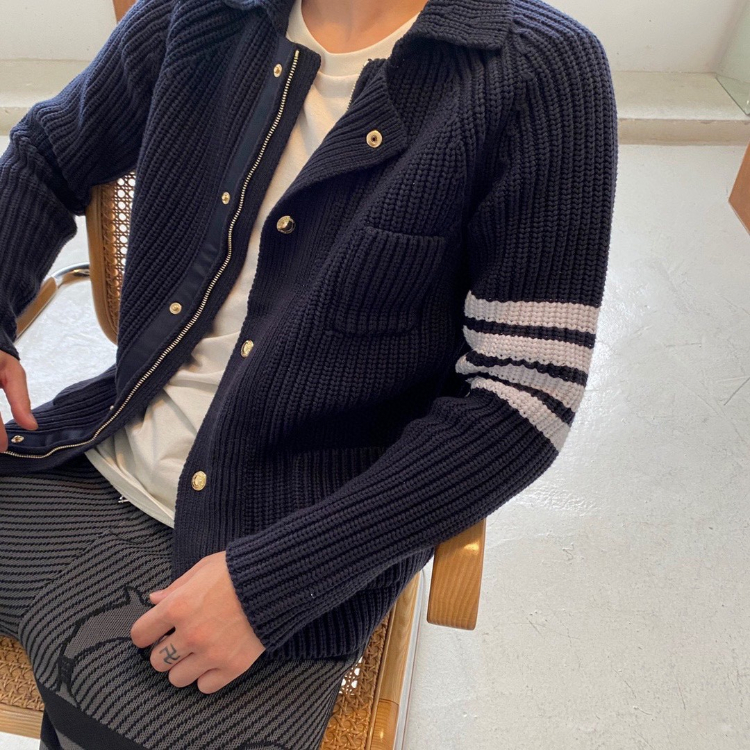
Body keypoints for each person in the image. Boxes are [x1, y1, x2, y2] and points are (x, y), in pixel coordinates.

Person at [0, 0, 619, 746]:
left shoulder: (538, 71)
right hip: (88, 460)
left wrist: (272, 586)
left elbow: (524, 395)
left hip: (281, 546)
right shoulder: (198, 12)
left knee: (117, 725)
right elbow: (43, 155)